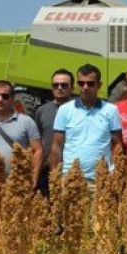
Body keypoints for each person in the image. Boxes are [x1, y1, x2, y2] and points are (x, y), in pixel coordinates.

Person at [51, 64, 123, 185]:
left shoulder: (111, 110)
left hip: (101, 179)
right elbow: (56, 145)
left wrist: (116, 173)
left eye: (90, 83)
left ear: (99, 85)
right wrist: (54, 177)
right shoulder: (64, 110)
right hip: (70, 178)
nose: (85, 87)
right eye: (81, 83)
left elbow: (117, 145)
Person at [33, 68, 74, 196]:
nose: (59, 88)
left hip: (72, 169)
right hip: (47, 170)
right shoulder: (42, 111)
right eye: (56, 85)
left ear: (72, 88)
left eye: (64, 85)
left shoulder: (79, 110)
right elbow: (38, 140)